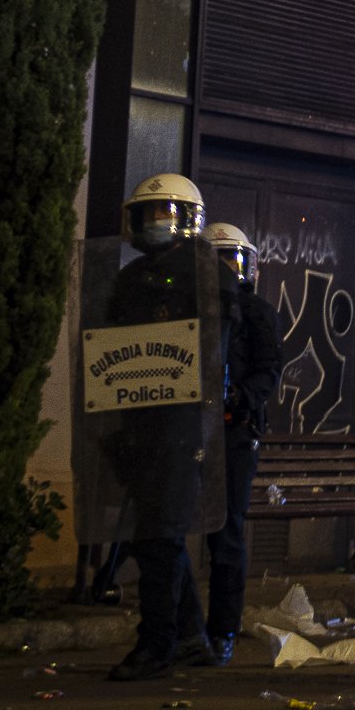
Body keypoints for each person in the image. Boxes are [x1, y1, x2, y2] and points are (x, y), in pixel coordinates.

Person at [99, 173, 226, 681]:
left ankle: (156, 644)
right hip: (138, 423)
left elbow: (217, 349)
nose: (155, 224)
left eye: (164, 215)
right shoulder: (131, 280)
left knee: (160, 536)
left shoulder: (207, 277)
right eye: (148, 215)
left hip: (181, 427)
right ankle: (191, 637)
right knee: (155, 536)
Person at [175, 222, 284, 664]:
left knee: (227, 535)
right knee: (169, 532)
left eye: (231, 260)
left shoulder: (255, 312)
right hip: (187, 431)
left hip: (234, 431)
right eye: (217, 260)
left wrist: (240, 396)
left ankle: (222, 631)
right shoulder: (191, 308)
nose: (226, 269)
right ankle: (186, 629)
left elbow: (268, 369)